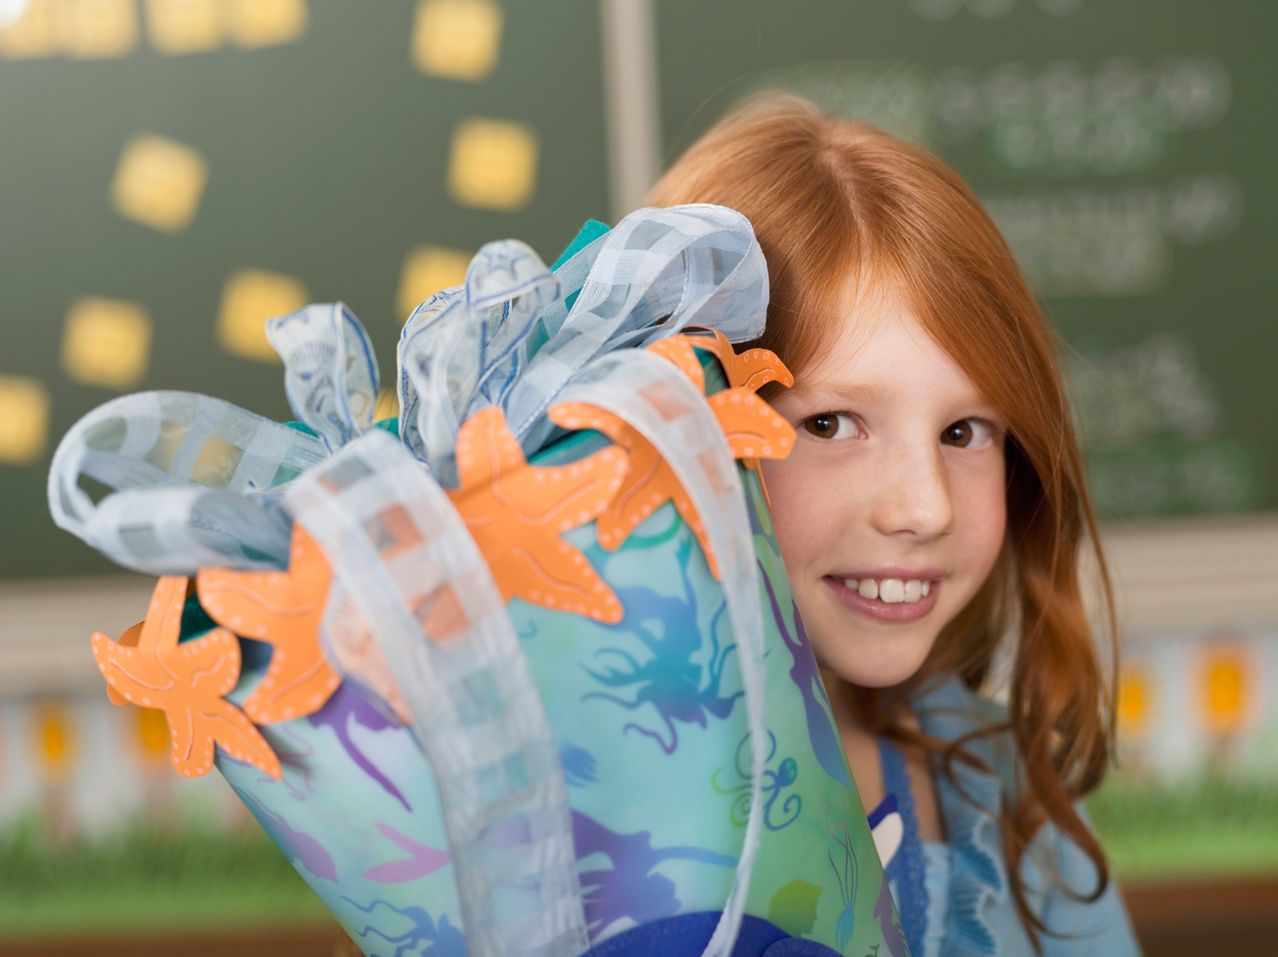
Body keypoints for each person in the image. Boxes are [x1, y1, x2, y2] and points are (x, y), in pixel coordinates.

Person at [646, 94, 1142, 956]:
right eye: (832, 423)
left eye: (964, 432)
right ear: (677, 429)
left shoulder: (1007, 801)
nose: (927, 507)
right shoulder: (582, 805)